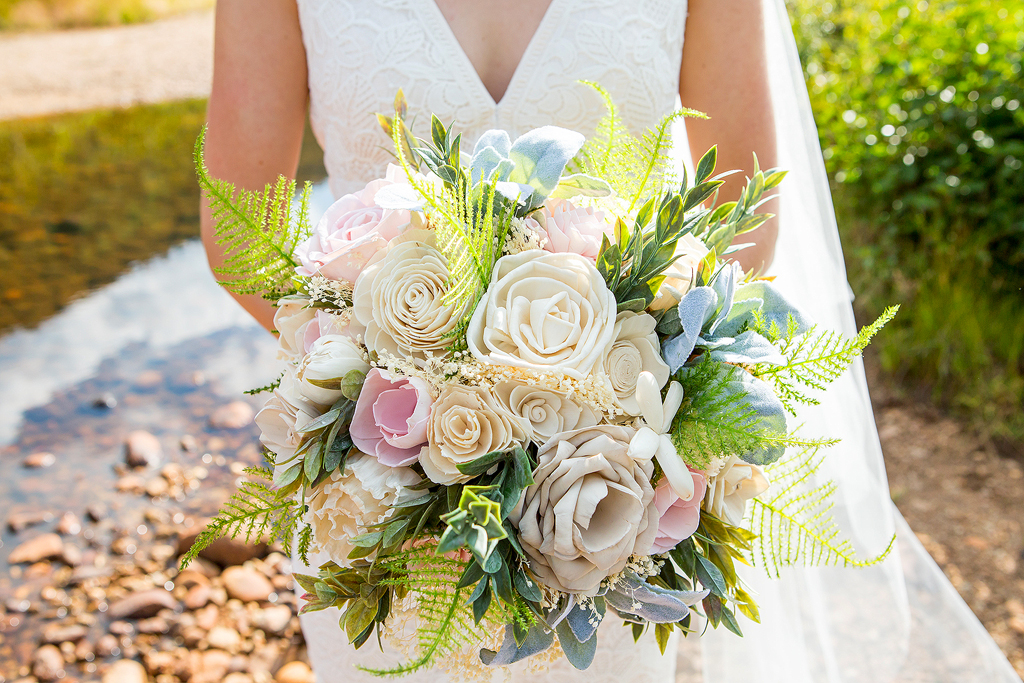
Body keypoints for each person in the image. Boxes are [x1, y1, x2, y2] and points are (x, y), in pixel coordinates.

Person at [199, 1, 1023, 682]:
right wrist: (397, 378)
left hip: (601, 499)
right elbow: (242, 232)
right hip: (378, 483)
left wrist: (602, 406)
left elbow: (745, 212)